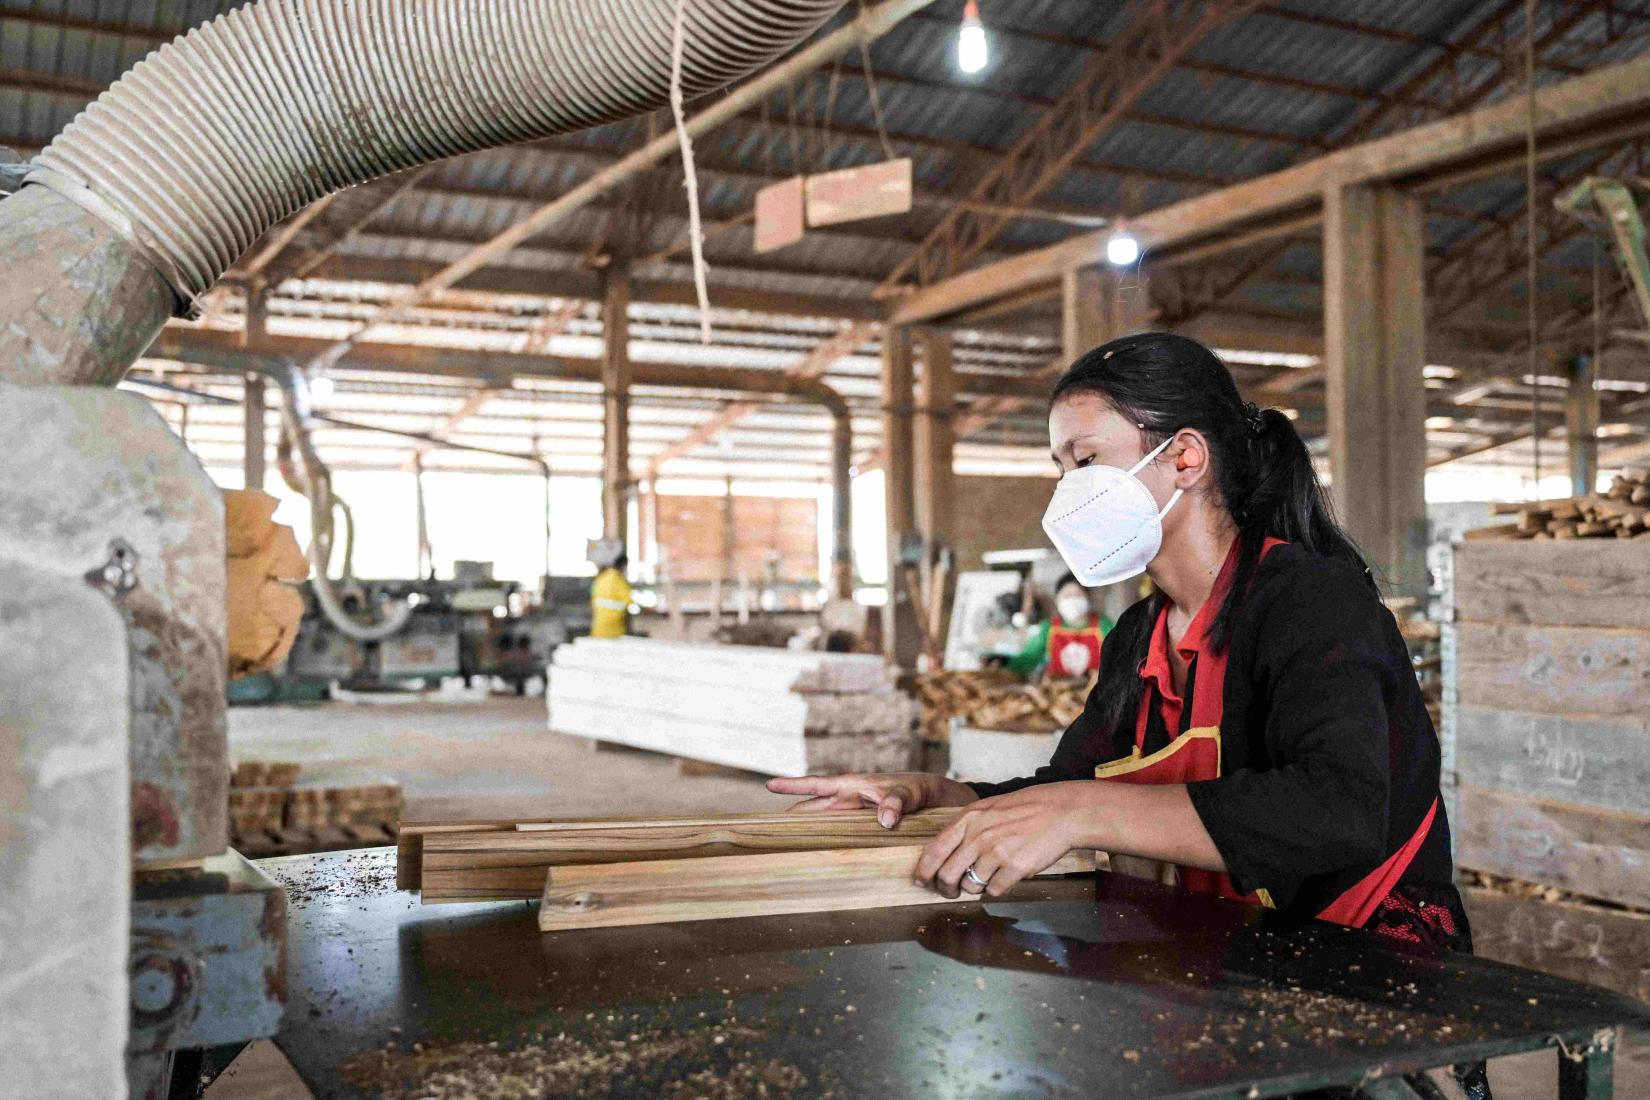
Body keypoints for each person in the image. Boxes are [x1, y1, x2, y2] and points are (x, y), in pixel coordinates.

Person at [771, 334, 1486, 1097]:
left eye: (1084, 461)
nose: (1066, 491)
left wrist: (1085, 811)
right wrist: (935, 795)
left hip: (1363, 963)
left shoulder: (1311, 600)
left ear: (1185, 458)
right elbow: (1066, 786)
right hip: (1232, 959)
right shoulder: (1137, 637)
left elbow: (1337, 809)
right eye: (1059, 469)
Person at [1005, 572, 1113, 679]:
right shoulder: (1048, 628)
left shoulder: (1104, 626)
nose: (1072, 600)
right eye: (1067, 596)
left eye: (1077, 595)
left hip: (1097, 691)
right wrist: (1004, 664)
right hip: (1056, 691)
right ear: (1057, 600)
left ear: (1088, 598)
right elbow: (1029, 658)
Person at [589, 553, 633, 639]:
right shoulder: (618, 580)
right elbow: (629, 601)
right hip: (613, 630)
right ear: (623, 566)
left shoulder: (601, 578)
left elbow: (593, 600)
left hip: (598, 626)